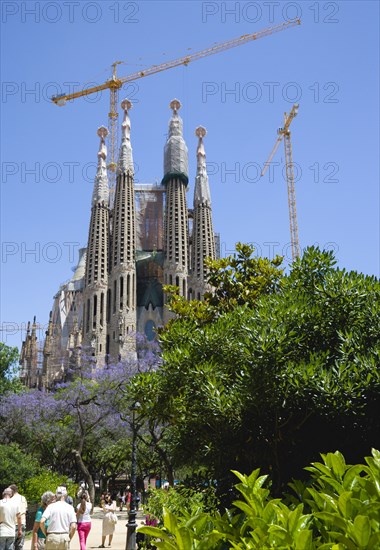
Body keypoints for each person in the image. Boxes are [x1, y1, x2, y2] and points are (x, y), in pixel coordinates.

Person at [9, 485, 27, 550]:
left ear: (12, 491)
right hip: (23, 523)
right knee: (20, 545)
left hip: (14, 524)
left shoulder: (10, 499)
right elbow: (25, 509)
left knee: (11, 545)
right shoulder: (23, 498)